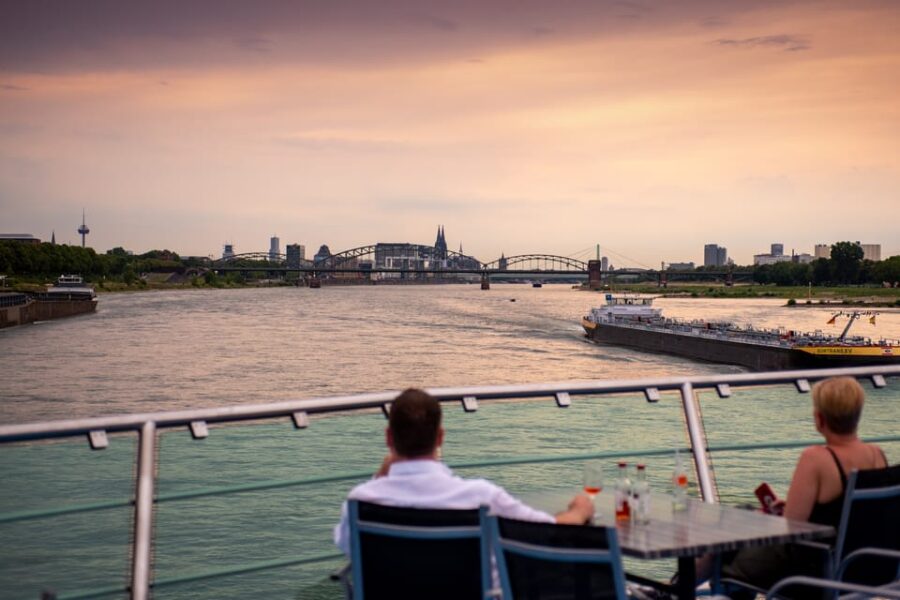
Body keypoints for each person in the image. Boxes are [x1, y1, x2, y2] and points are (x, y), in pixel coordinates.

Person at [334, 387, 594, 555]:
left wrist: (381, 477)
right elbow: (549, 533)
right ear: (440, 438)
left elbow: (349, 550)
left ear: (389, 438)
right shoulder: (481, 497)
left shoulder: (361, 502)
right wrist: (579, 511)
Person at [712, 376, 889, 592]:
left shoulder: (816, 458)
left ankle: (678, 589)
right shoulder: (878, 455)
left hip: (814, 573)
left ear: (819, 418)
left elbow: (790, 528)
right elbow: (845, 513)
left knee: (731, 535)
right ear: (857, 415)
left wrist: (764, 519)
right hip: (868, 569)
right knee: (743, 516)